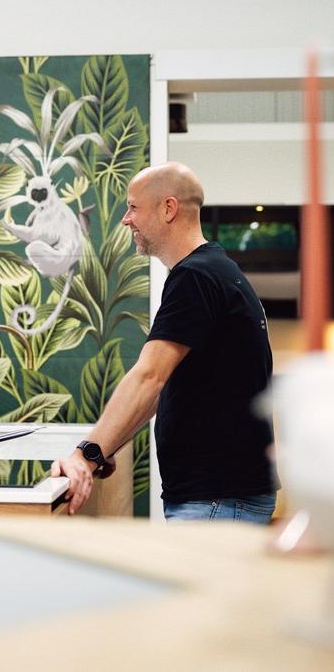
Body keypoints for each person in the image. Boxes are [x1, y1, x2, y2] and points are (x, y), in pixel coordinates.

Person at [52, 162, 278, 522]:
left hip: (217, 498)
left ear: (168, 208)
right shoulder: (214, 271)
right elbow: (161, 390)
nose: (126, 219)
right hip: (221, 495)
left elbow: (148, 376)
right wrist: (103, 448)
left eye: (133, 207)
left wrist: (85, 455)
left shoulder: (196, 277)